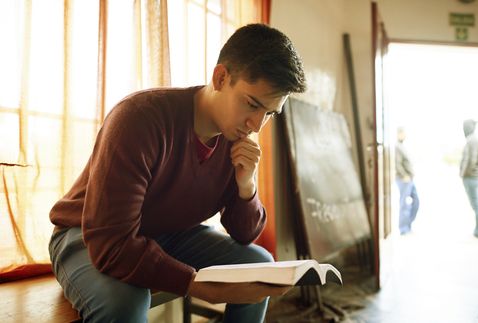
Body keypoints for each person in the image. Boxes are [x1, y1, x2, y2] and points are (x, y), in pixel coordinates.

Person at [48, 23, 306, 323]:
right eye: (252, 104)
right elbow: (111, 244)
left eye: (270, 114)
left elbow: (245, 233)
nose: (256, 125)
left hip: (167, 232)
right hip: (87, 233)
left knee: (260, 265)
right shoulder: (139, 119)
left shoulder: (236, 137)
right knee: (126, 302)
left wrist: (246, 185)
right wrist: (195, 284)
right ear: (221, 77)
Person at [460, 119, 478, 239]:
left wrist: (463, 174)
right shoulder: (473, 140)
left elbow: (470, 161)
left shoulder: (471, 140)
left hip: (471, 177)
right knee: (476, 204)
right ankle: (477, 231)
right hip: (473, 177)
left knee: (476, 205)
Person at [395, 127, 419, 235]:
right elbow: (397, 164)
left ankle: (407, 225)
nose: (405, 135)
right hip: (404, 179)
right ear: (399, 134)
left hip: (409, 179)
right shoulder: (397, 146)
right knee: (404, 203)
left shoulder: (402, 146)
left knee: (416, 201)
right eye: (403, 133)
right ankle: (404, 229)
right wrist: (404, 175)